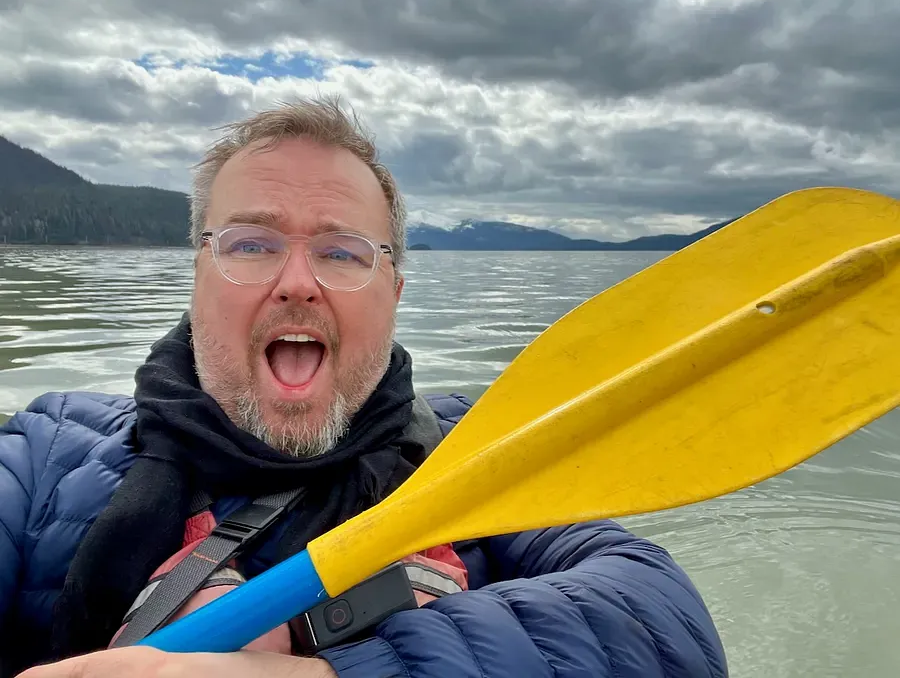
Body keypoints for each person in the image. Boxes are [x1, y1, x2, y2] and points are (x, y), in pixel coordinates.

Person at [0, 96, 729, 678]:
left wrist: (337, 667)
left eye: (342, 252)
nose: (297, 283)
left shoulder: (476, 450)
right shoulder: (47, 454)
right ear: (196, 278)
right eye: (251, 245)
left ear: (395, 292)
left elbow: (662, 621)